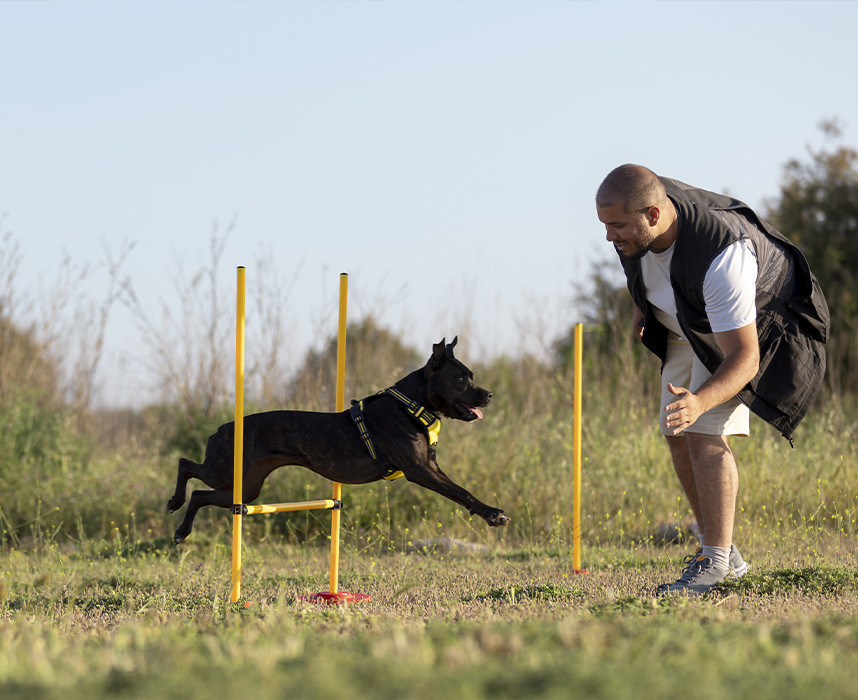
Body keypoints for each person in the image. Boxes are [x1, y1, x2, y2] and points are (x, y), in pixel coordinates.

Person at [596, 164, 829, 596]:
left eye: (617, 226)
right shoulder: (635, 223)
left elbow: (744, 358)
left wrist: (701, 401)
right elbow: (646, 266)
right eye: (604, 225)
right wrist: (643, 307)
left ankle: (714, 565)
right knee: (675, 429)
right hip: (689, 318)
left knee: (702, 428)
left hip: (744, 328)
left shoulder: (723, 258)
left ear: (653, 213)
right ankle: (721, 552)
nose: (609, 236)